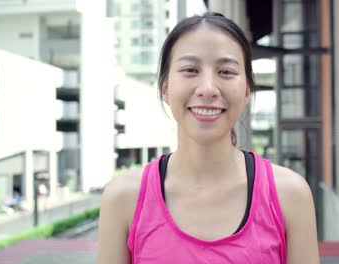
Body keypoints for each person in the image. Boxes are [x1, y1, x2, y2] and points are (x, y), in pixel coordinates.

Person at [97, 12, 319, 264]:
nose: (208, 89)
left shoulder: (289, 194)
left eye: (225, 71)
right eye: (190, 70)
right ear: (165, 88)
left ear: (247, 90)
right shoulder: (124, 197)